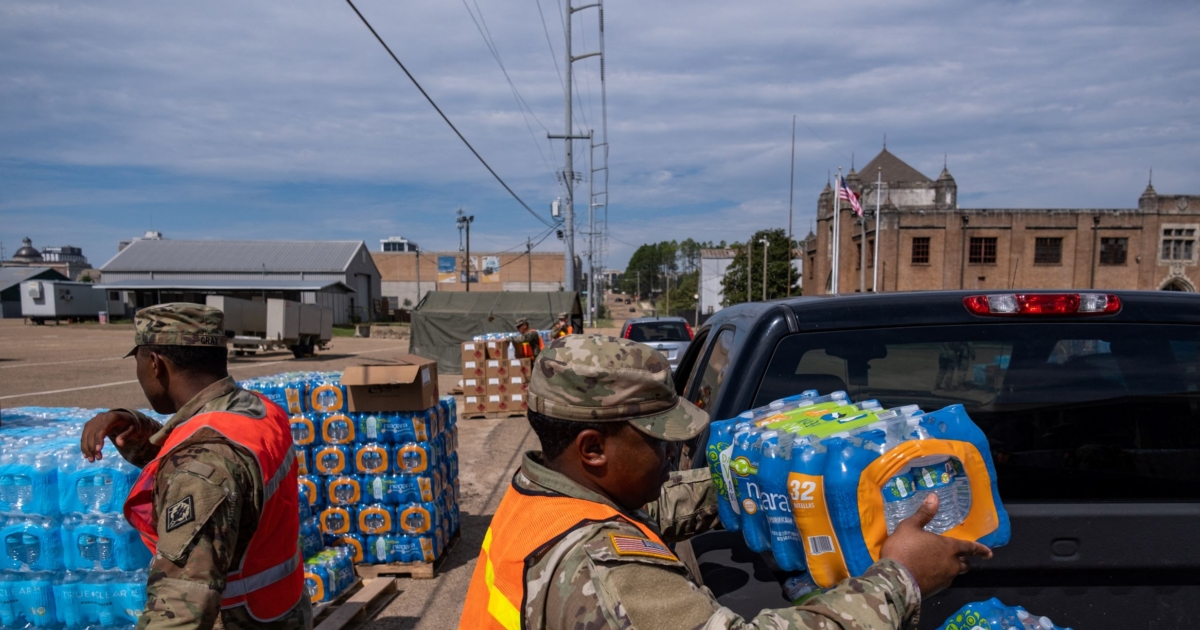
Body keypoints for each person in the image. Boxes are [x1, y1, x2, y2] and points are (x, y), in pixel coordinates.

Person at [459, 334, 992, 630]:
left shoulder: (546, 496)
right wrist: (899, 579)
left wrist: (775, 478)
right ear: (593, 449)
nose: (674, 451)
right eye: (658, 439)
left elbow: (661, 505)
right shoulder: (607, 569)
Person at [79, 303, 312, 630]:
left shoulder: (201, 468)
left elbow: (182, 607)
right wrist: (133, 426)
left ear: (155, 364)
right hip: (283, 610)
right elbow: (200, 447)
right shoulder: (258, 411)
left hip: (240, 619)